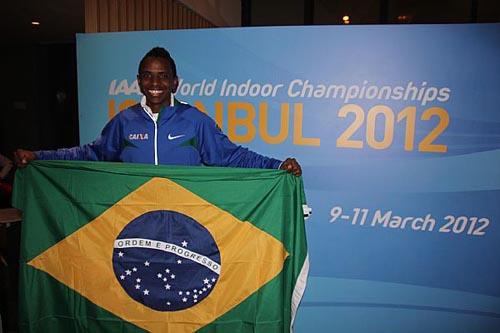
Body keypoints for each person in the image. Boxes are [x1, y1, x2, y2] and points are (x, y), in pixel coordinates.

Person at [15, 47, 301, 176]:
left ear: (174, 82)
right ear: (139, 81)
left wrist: (276, 165)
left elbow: (231, 155)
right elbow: (88, 153)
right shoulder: (124, 122)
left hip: (182, 218)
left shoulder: (194, 120)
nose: (155, 83)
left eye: (163, 76)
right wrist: (39, 156)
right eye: (148, 76)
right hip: (136, 218)